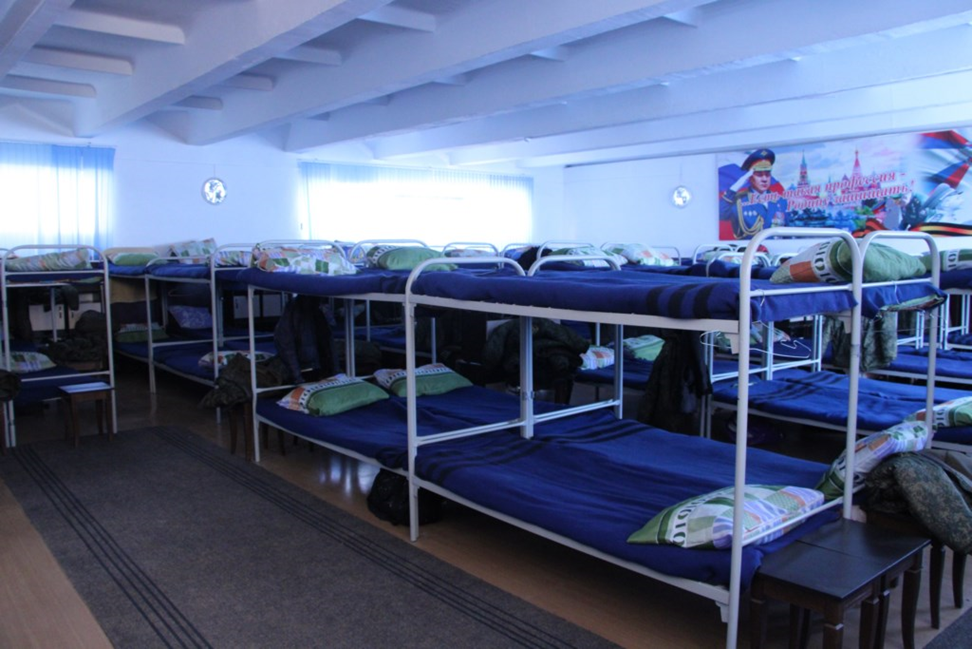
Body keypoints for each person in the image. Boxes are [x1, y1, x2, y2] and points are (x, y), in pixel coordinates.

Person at [720, 148, 788, 238]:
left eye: (767, 174)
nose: (764, 179)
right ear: (750, 177)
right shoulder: (740, 202)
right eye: (759, 175)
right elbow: (721, 214)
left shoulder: (780, 201)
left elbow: (788, 231)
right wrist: (736, 186)